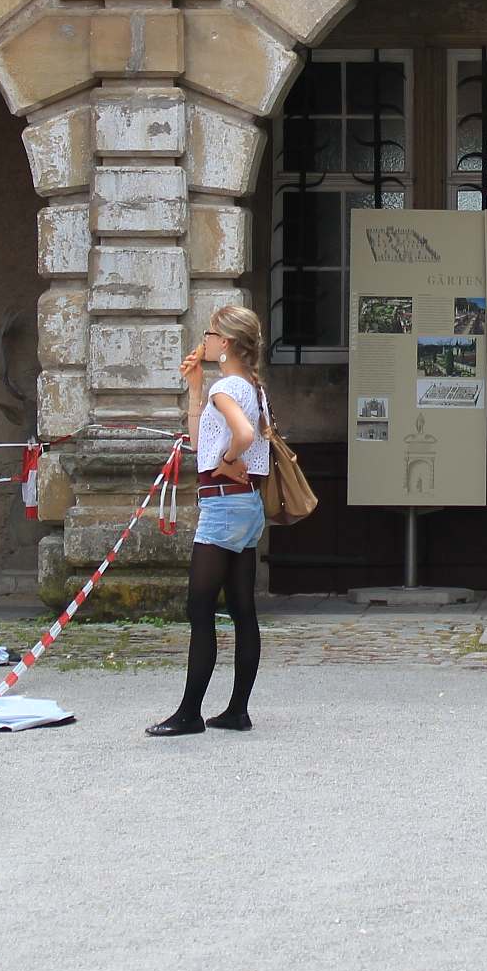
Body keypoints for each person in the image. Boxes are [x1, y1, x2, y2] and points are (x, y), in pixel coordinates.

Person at [151, 304, 272, 737]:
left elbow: (238, 437)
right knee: (242, 608)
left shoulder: (228, 388)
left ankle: (189, 713)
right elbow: (201, 440)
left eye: (210, 333)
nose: (204, 339)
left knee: (199, 608)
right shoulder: (251, 387)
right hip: (248, 505)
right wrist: (195, 390)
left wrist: (225, 462)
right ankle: (237, 709)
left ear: (226, 344)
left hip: (222, 505)